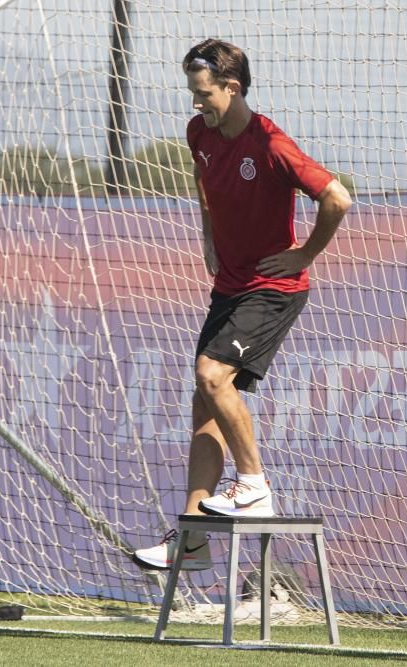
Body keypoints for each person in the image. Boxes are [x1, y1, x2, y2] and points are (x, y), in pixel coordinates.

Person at [132, 39, 352, 571]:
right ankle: (191, 542)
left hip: (273, 290)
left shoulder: (270, 142)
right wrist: (208, 236)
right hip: (229, 287)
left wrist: (304, 253)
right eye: (191, 92)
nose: (195, 103)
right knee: (203, 406)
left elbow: (337, 197)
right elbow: (204, 182)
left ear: (233, 87)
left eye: (203, 93)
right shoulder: (198, 134)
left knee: (211, 375)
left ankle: (253, 484)